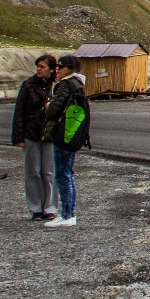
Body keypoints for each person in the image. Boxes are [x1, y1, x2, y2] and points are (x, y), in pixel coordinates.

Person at [39, 54, 90, 227]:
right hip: (72, 133)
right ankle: (68, 213)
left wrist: (47, 106)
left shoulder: (65, 85)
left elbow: (53, 110)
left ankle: (67, 215)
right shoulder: (78, 84)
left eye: (60, 67)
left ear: (69, 68)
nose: (57, 70)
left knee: (63, 174)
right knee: (67, 172)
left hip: (62, 133)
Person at [11, 53, 57, 220]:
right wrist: (18, 137)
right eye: (38, 66)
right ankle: (36, 208)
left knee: (49, 172)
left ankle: (50, 208)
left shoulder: (56, 87)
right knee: (33, 171)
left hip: (50, 134)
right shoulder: (28, 85)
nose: (39, 69)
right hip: (31, 133)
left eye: (43, 67)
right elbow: (19, 111)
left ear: (51, 69)